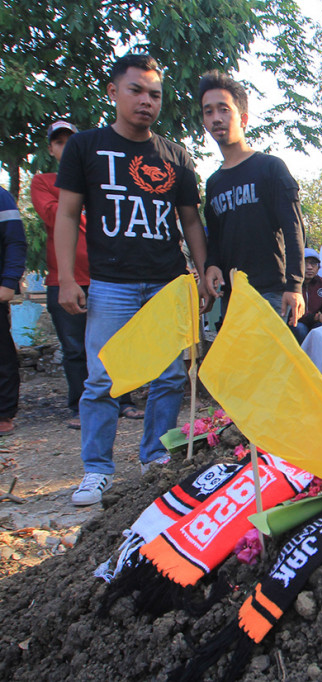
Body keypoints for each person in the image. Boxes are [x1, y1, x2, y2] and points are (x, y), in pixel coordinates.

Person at [54, 54, 211, 505]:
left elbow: (191, 222)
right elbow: (66, 215)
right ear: (113, 92)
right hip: (110, 283)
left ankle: (154, 459)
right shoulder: (85, 148)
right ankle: (97, 470)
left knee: (166, 377)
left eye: (155, 94)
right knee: (103, 378)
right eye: (136, 90)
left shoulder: (176, 157)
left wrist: (201, 274)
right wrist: (68, 278)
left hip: (166, 283)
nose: (146, 101)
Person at [30, 121, 140, 428]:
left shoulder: (99, 178)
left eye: (71, 141)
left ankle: (124, 401)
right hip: (65, 279)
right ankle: (81, 407)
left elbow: (118, 215)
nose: (65, 147)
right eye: (59, 142)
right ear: (51, 149)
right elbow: (54, 215)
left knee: (118, 344)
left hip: (107, 276)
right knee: (76, 348)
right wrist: (81, 206)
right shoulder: (43, 181)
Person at [198, 72, 304, 327]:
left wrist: (295, 285)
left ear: (243, 118)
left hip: (271, 294)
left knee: (272, 367)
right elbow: (214, 239)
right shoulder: (213, 183)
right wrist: (211, 265)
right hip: (232, 297)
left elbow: (293, 227)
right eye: (208, 112)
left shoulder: (270, 168)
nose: (217, 118)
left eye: (224, 109)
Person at [0, 187, 26, 436]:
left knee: (2, 354)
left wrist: (9, 282)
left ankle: (3, 412)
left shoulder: (1, 197)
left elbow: (15, 241)